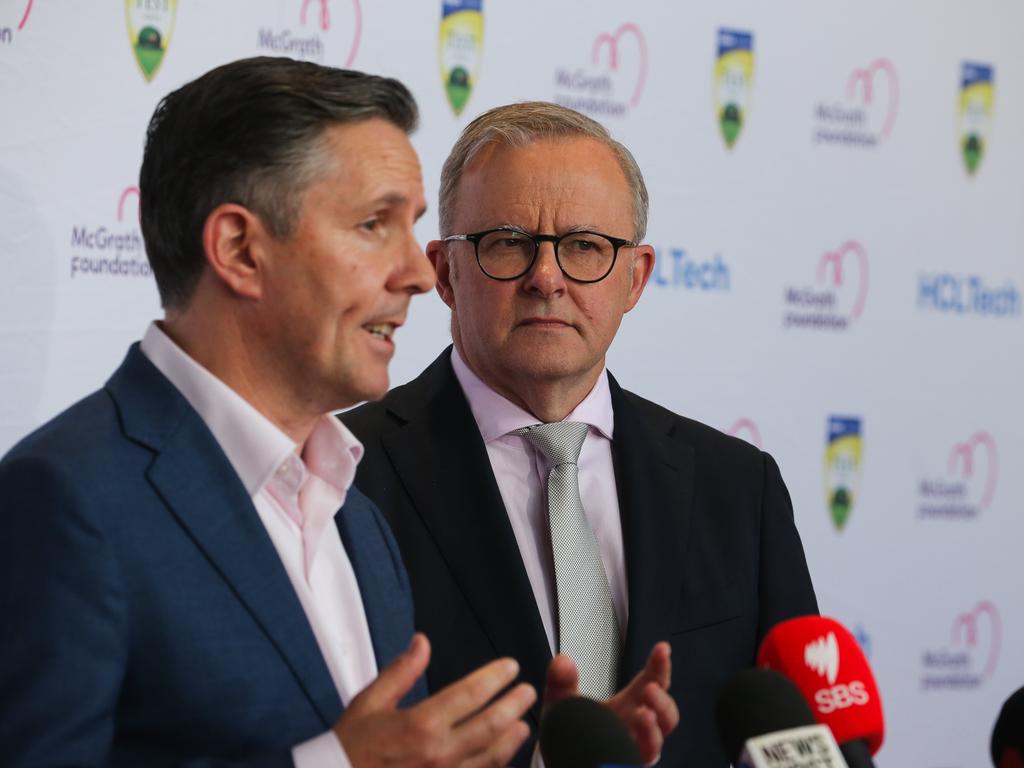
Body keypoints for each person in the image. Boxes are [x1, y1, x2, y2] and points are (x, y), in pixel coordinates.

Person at [0, 57, 538, 767]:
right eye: (375, 223)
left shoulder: (358, 514)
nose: (415, 272)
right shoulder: (64, 499)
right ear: (239, 249)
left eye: (410, 226)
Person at [342, 102, 819, 767]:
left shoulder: (738, 487)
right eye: (508, 242)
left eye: (586, 247)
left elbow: (793, 738)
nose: (546, 278)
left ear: (636, 277)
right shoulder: (342, 476)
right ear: (446, 273)